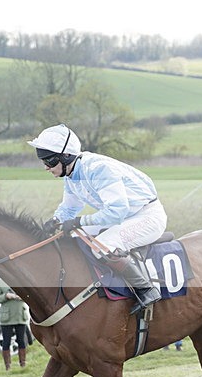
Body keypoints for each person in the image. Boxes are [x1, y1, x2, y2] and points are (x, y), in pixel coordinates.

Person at [28, 124, 166, 314]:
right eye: (43, 161)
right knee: (71, 238)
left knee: (103, 245)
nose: (46, 167)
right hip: (123, 217)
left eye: (49, 161)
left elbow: (116, 211)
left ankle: (146, 289)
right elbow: (69, 208)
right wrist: (54, 222)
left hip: (146, 216)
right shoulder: (71, 174)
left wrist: (79, 221)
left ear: (66, 156)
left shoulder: (98, 169)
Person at [0, 277, 30, 370]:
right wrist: (6, 296)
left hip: (20, 315)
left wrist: (24, 297)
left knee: (21, 340)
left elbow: (29, 294)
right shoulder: (0, 281)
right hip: (7, 317)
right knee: (6, 341)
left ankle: (23, 363)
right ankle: (8, 366)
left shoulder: (20, 279)